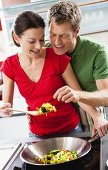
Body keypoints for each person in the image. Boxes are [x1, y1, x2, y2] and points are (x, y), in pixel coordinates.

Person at [0, 11, 107, 139]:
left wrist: (97, 116)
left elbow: (77, 93)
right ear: (16, 38)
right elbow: (7, 108)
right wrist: (3, 111)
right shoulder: (9, 65)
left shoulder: (57, 57)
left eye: (42, 39)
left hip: (71, 130)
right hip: (37, 135)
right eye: (32, 41)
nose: (38, 46)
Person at [46, 1, 108, 134]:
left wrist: (78, 95)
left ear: (76, 31)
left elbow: (106, 95)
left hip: (91, 115)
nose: (56, 42)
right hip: (59, 117)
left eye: (63, 35)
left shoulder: (96, 51)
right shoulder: (45, 50)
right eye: (52, 34)